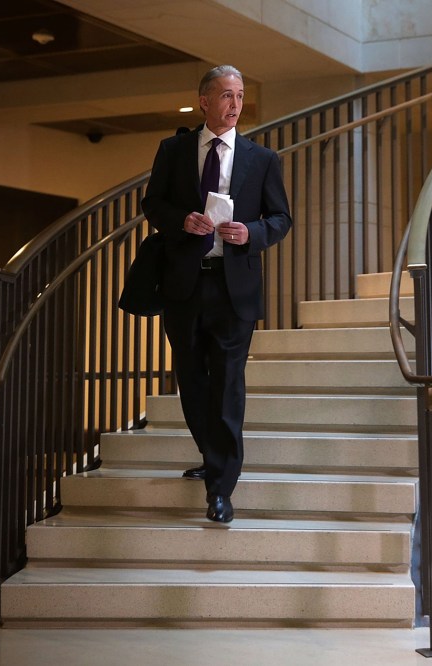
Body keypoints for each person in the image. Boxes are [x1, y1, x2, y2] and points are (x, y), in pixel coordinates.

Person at [141, 65, 292, 523]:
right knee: (192, 379)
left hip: (234, 286)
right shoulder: (174, 150)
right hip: (185, 282)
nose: (235, 103)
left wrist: (251, 232)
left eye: (241, 95)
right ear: (204, 101)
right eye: (226, 95)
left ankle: (221, 489)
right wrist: (182, 220)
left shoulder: (261, 159)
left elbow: (281, 218)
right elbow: (153, 204)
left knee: (227, 382)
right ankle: (214, 456)